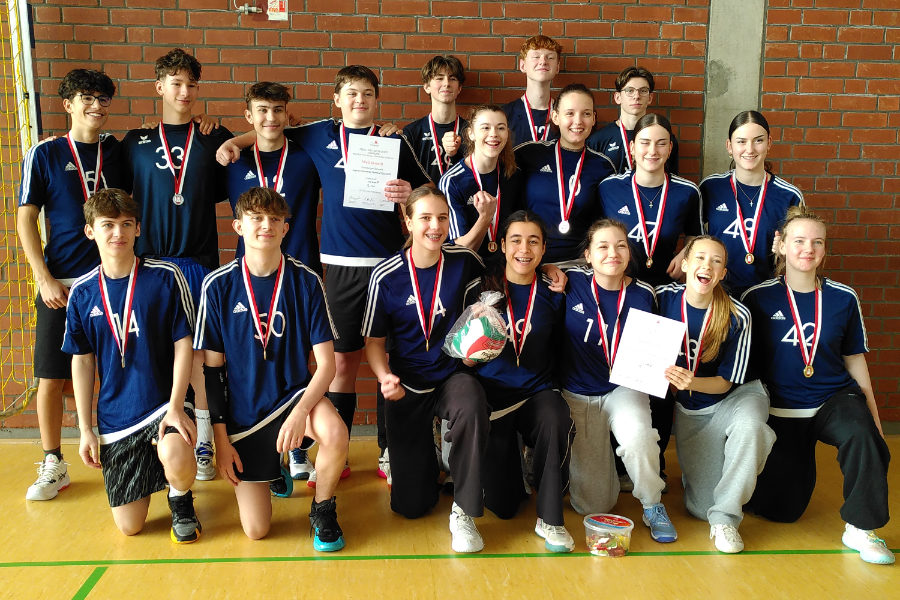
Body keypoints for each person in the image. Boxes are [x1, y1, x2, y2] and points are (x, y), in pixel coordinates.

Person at [217, 66, 431, 482]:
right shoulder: (317, 135)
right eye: (351, 93)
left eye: (368, 94)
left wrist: (409, 195)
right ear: (336, 100)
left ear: (377, 99)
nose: (359, 101)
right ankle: (342, 452)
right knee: (343, 363)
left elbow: (428, 193)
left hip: (391, 267)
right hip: (340, 269)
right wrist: (232, 142)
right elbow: (269, 133)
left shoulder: (393, 139)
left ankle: (390, 450)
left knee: (394, 360)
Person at [194, 187, 348, 550]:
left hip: (294, 398)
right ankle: (272, 466)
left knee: (336, 433)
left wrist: (301, 412)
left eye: (275, 219)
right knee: (256, 530)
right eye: (256, 218)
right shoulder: (217, 286)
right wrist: (219, 438)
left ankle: (322, 508)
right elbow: (212, 372)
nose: (266, 225)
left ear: (285, 229)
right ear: (238, 226)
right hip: (245, 414)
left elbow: (327, 366)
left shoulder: (307, 281)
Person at [742, 206, 893, 565]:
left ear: (824, 251)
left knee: (862, 435)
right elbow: (745, 369)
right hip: (780, 410)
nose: (807, 249)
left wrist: (874, 423)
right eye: (798, 241)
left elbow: (856, 361)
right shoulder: (757, 298)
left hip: (832, 399)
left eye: (817, 242)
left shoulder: (844, 298)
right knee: (781, 510)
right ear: (780, 245)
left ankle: (862, 528)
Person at [17, 68, 130, 501]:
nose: (96, 106)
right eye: (87, 98)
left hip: (110, 281)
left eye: (103, 99)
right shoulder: (44, 154)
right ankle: (53, 462)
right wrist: (41, 276)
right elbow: (26, 218)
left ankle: (120, 448)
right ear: (67, 104)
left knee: (114, 372)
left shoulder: (117, 153)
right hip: (61, 283)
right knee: (51, 376)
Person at [63, 188, 200, 542]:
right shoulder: (81, 292)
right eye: (107, 225)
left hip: (162, 405)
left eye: (126, 224)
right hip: (116, 416)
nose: (118, 233)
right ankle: (160, 475)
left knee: (174, 449)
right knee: (130, 527)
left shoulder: (165, 276)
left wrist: (176, 406)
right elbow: (82, 360)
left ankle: (180, 497)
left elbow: (185, 343)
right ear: (90, 231)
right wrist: (85, 429)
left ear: (138, 229)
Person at [122, 48, 233, 481]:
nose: (184, 92)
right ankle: (161, 435)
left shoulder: (212, 136)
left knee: (206, 356)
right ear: (159, 87)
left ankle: (204, 440)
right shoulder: (135, 142)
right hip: (150, 266)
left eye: (191, 84)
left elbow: (249, 149)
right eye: (175, 83)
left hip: (200, 263)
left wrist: (232, 137)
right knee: (154, 352)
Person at [362, 187, 490, 553]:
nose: (435, 227)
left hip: (453, 375)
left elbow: (506, 276)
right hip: (407, 385)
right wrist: (385, 377)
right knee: (411, 507)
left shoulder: (464, 260)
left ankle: (464, 511)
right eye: (425, 218)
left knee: (473, 403)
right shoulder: (384, 275)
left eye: (442, 218)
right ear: (407, 221)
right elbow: (373, 342)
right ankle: (427, 461)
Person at [559, 219, 676, 543]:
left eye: (621, 245)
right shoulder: (570, 282)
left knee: (639, 438)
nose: (613, 253)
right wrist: (553, 271)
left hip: (624, 388)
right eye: (603, 247)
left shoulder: (645, 293)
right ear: (587, 255)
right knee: (593, 504)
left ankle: (653, 505)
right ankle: (602, 472)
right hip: (579, 393)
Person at [657, 235, 773, 553]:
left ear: (722, 274)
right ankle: (723, 473)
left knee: (751, 427)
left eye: (716, 261)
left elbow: (725, 382)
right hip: (694, 411)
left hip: (737, 397)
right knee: (698, 508)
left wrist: (688, 382)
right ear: (684, 264)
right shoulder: (661, 298)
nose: (707, 265)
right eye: (700, 258)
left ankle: (725, 520)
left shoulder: (738, 315)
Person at [468, 210, 575, 553]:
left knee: (555, 416)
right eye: (515, 240)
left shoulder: (555, 291)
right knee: (504, 507)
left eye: (533, 242)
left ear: (544, 250)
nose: (524, 249)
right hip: (494, 402)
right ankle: (518, 470)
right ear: (501, 245)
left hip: (535, 394)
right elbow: (463, 355)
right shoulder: (483, 288)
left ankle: (551, 518)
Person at [700, 110, 804, 297]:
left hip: (768, 295)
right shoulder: (711, 187)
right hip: (716, 293)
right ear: (729, 146)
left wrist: (784, 250)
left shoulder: (789, 195)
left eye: (758, 140)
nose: (750, 149)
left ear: (769, 143)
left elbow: (801, 255)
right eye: (741, 141)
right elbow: (696, 240)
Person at [515, 84, 615, 265]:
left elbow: (604, 224)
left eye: (586, 114)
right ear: (555, 117)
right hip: (529, 260)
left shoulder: (603, 166)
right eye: (569, 113)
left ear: (593, 119)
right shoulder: (529, 154)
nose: (578, 121)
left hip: (579, 264)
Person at [440, 104, 520, 258]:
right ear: (471, 133)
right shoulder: (452, 181)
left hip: (506, 267)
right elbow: (460, 250)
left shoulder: (511, 173)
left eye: (501, 128)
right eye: (485, 128)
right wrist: (485, 217)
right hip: (468, 270)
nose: (494, 134)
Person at [586, 66, 679, 175]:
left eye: (643, 91)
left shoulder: (664, 139)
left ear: (650, 98)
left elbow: (672, 180)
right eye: (630, 90)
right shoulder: (598, 140)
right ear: (617, 97)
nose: (637, 96)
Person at [404, 55, 468, 183]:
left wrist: (456, 155)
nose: (446, 83)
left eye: (452, 78)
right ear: (427, 87)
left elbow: (478, 175)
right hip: (425, 202)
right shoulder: (411, 132)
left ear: (459, 88)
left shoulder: (471, 131)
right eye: (439, 78)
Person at [503, 35, 562, 146]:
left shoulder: (566, 116)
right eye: (536, 56)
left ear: (557, 67)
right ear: (522, 65)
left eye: (550, 57)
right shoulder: (505, 114)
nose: (543, 62)